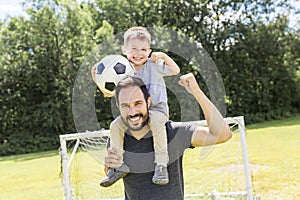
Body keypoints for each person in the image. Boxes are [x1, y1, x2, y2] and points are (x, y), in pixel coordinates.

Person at [103, 73, 232, 200]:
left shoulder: (173, 133)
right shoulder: (116, 137)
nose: (132, 112)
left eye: (138, 104)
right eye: (125, 106)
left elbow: (222, 135)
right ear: (118, 107)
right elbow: (111, 171)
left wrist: (197, 92)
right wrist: (109, 166)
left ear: (148, 102)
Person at [93, 26, 180, 187]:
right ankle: (118, 165)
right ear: (124, 50)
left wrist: (163, 56)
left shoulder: (153, 65)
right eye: (134, 49)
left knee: (154, 121)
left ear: (149, 51)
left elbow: (175, 70)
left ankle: (161, 165)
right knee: (115, 126)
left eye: (143, 49)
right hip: (135, 114)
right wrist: (96, 78)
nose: (139, 53)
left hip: (157, 110)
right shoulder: (124, 71)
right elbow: (110, 93)